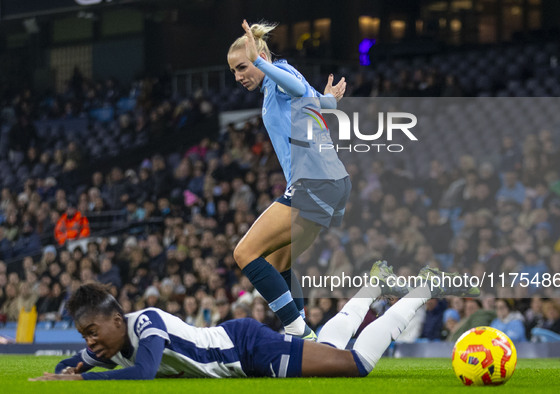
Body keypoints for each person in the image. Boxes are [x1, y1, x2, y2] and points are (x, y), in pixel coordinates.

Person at [30, 269, 479, 381]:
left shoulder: (145, 324)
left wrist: (82, 383)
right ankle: (373, 284)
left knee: (357, 365)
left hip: (248, 349)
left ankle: (421, 288)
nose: (90, 342)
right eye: (85, 336)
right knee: (326, 345)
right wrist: (70, 368)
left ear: (116, 319)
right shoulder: (107, 343)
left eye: (93, 332)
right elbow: (80, 361)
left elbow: (145, 372)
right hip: (240, 344)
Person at [227, 20, 349, 340]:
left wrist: (262, 65)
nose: (239, 76)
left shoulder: (279, 73)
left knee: (245, 253)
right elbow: (312, 103)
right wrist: (330, 101)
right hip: (330, 181)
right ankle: (301, 339)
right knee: (278, 262)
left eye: (243, 66)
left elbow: (294, 87)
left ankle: (298, 332)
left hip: (315, 181)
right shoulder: (274, 84)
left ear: (260, 56)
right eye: (235, 71)